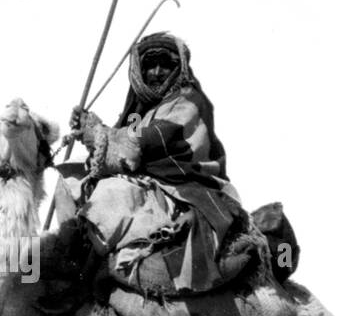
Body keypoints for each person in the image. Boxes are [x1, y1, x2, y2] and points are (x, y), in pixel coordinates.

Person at [69, 32, 246, 295]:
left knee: (109, 196)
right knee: (70, 178)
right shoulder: (145, 109)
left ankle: (84, 286)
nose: (156, 72)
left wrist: (97, 133)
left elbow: (141, 145)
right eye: (149, 66)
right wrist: (92, 127)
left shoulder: (189, 101)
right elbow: (125, 137)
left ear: (179, 67)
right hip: (154, 183)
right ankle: (62, 266)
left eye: (165, 64)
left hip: (187, 190)